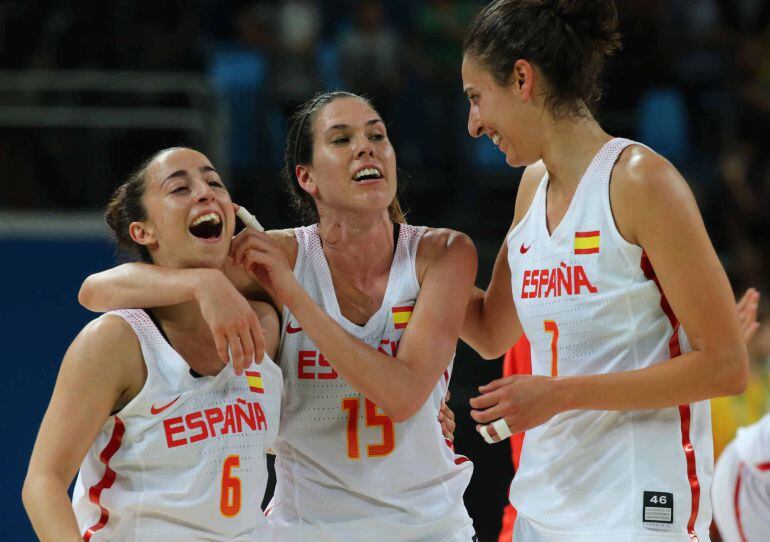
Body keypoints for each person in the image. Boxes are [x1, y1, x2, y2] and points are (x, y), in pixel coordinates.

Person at [78, 91, 478, 541]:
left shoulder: (441, 252)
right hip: (307, 529)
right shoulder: (275, 254)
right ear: (306, 177)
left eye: (377, 135)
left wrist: (290, 290)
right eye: (341, 139)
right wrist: (201, 283)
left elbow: (406, 396)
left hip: (434, 527)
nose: (366, 147)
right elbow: (97, 289)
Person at [459, 1, 748, 541]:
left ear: (522, 78)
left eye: (477, 98)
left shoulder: (640, 181)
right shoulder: (531, 189)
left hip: (637, 504)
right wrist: (399, 255)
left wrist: (560, 394)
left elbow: (727, 365)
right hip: (543, 500)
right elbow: (489, 330)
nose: (473, 124)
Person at [22, 148, 283, 542]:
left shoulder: (264, 323)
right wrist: (200, 282)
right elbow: (42, 483)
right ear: (143, 232)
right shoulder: (117, 341)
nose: (205, 193)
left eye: (215, 183)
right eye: (179, 188)